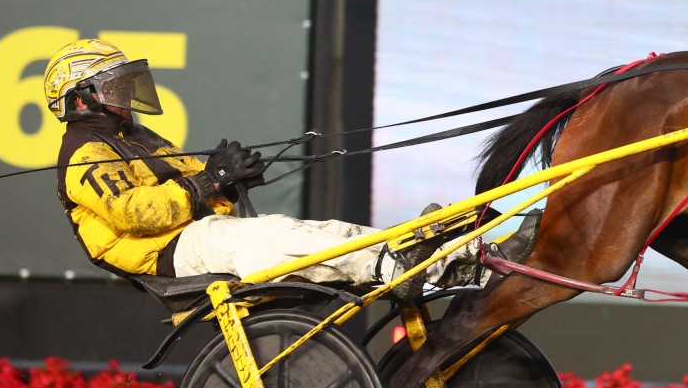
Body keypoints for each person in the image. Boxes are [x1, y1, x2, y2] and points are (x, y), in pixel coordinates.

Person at [43, 38, 453, 285]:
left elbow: (197, 184)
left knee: (318, 230)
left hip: (195, 236)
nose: (127, 93)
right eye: (115, 86)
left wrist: (226, 183)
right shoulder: (85, 151)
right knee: (276, 235)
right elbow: (133, 214)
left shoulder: (136, 137)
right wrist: (208, 181)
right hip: (165, 254)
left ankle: (448, 261)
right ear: (80, 100)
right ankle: (396, 267)